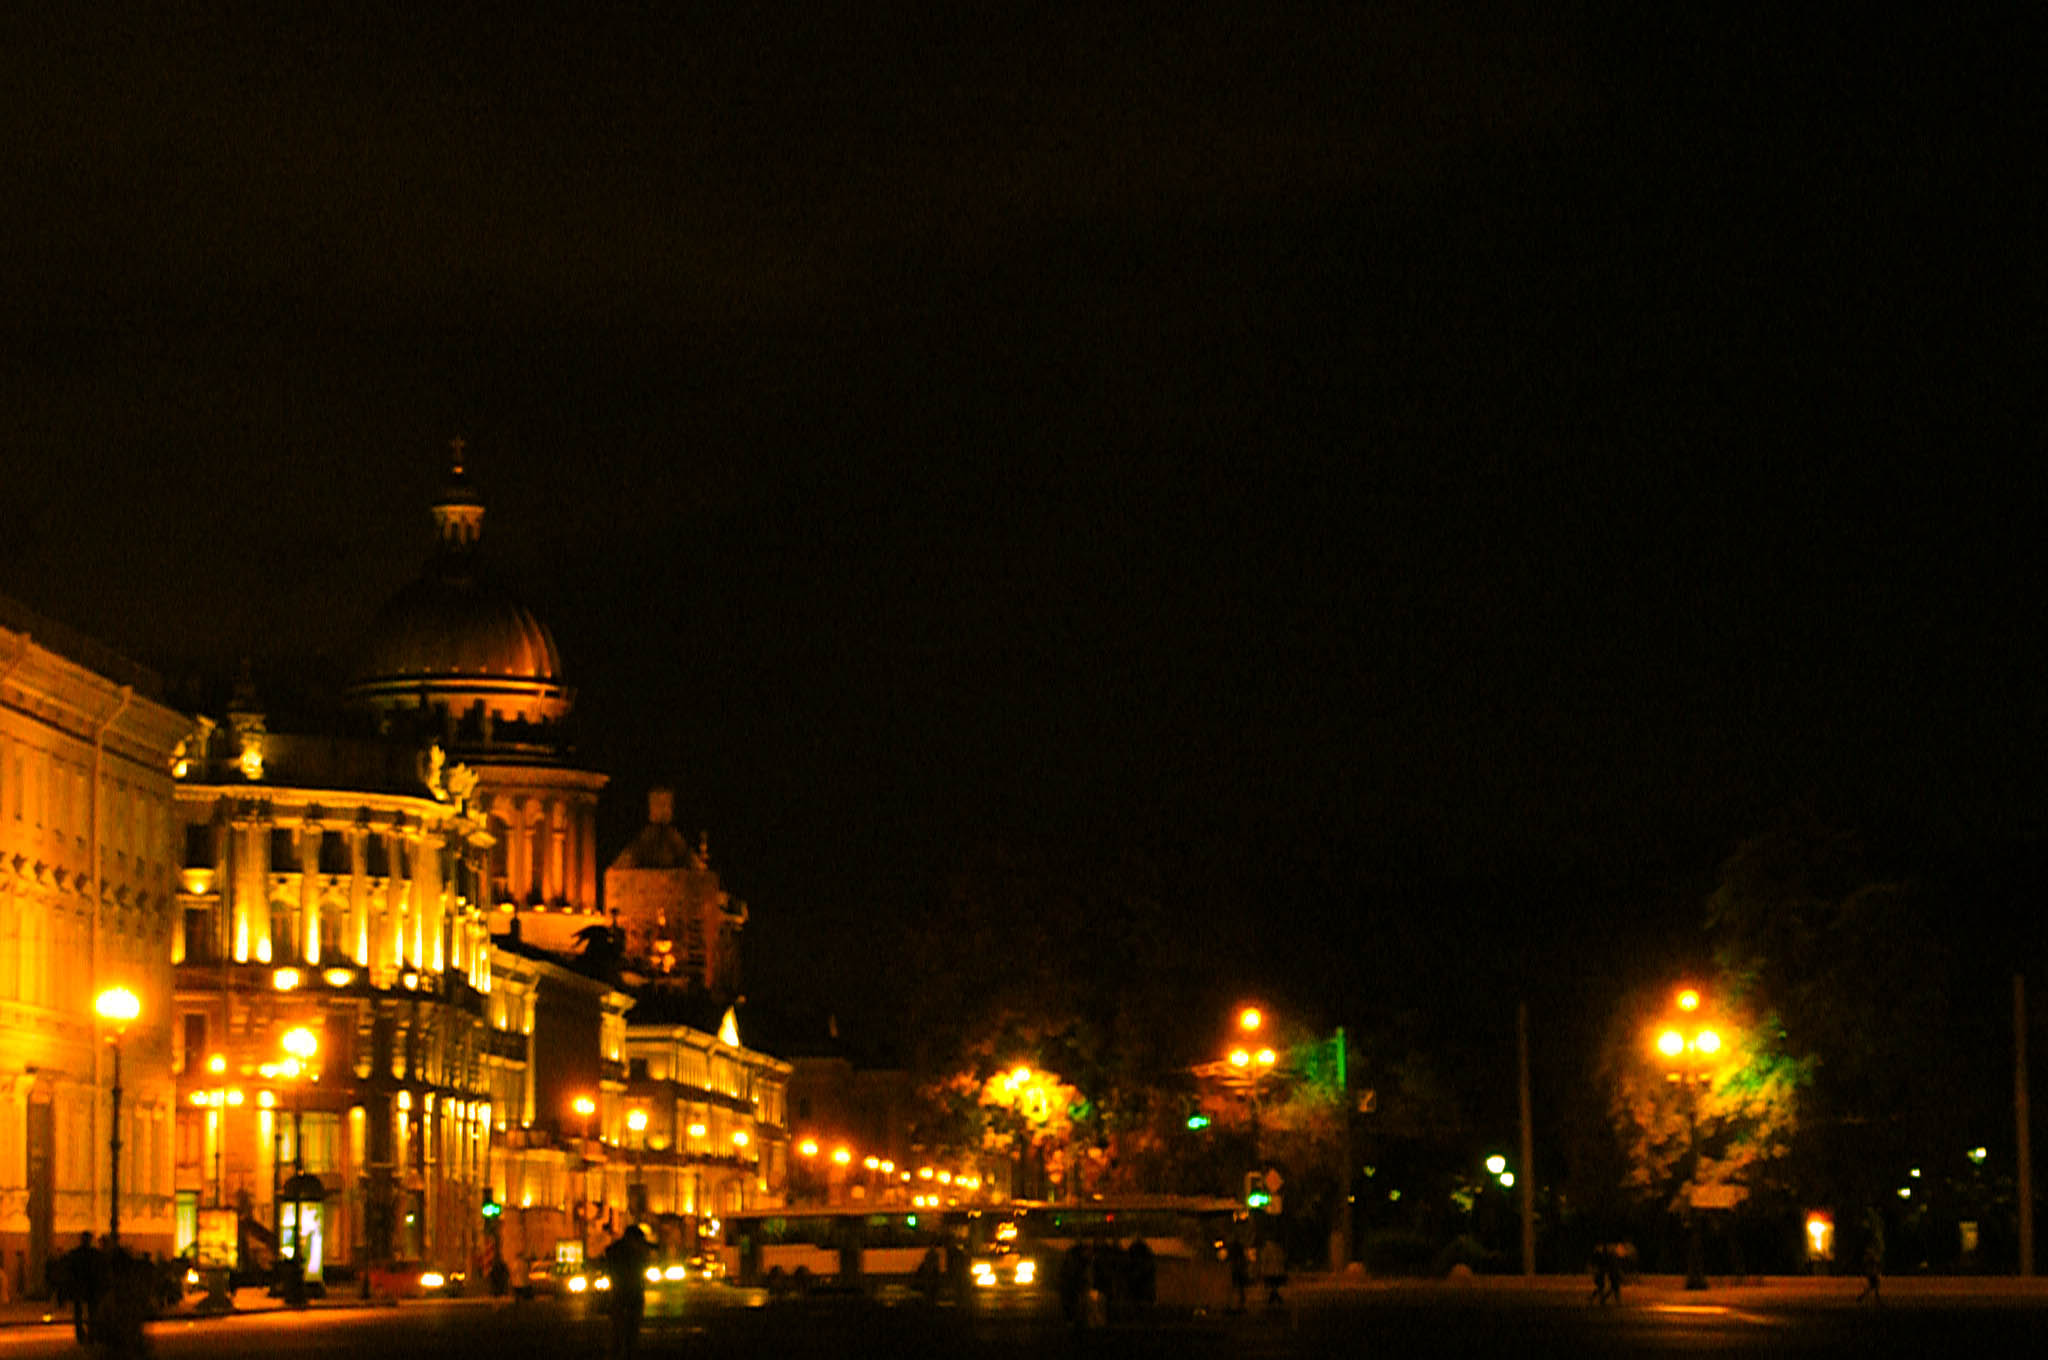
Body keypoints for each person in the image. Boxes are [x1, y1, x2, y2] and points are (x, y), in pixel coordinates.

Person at [601, 1224, 654, 1360]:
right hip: (631, 1294)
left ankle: (619, 1354)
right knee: (629, 1333)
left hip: (621, 1294)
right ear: (633, 1239)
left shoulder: (615, 1250)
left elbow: (608, 1261)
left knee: (619, 1334)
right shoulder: (634, 1253)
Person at [53, 1232, 101, 1342]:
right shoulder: (93, 1254)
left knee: (80, 1311)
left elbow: (68, 1270)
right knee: (90, 1311)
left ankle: (82, 1333)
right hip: (88, 1286)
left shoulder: (76, 1253)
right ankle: (89, 1333)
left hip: (81, 1286)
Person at [1257, 1234, 1286, 1310]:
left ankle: (1274, 1299)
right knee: (1274, 1286)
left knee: (1273, 1286)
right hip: (1278, 1270)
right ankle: (1275, 1299)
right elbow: (1282, 1258)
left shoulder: (1266, 1249)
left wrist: (1262, 1270)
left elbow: (1264, 1260)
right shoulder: (1278, 1248)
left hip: (1270, 1271)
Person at [1224, 1236, 1249, 1314]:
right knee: (1241, 1289)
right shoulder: (1241, 1257)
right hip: (1239, 1272)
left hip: (1235, 1272)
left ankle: (1233, 1305)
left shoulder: (1233, 1256)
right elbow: (1244, 1263)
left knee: (1235, 1288)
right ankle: (1240, 1305)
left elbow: (1228, 1261)